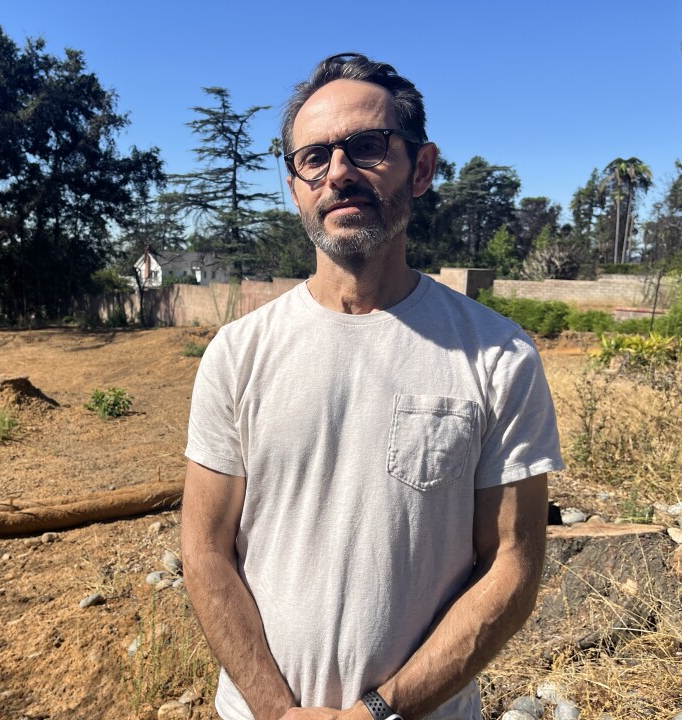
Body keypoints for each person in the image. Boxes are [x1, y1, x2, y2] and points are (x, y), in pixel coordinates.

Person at [181, 52, 564, 720]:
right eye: (314, 157)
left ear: (421, 168)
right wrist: (276, 710)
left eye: (366, 146)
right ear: (296, 186)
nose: (338, 173)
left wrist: (379, 712)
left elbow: (511, 565)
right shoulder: (238, 354)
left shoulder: (499, 357)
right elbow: (206, 550)